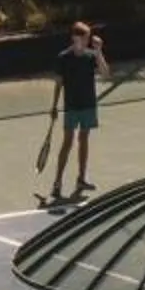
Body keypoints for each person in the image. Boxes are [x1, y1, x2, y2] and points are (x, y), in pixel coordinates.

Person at [39, 20, 110, 203]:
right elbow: (59, 83)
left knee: (84, 140)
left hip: (88, 105)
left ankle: (81, 179)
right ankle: (57, 182)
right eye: (83, 38)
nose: (86, 41)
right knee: (67, 143)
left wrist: (99, 51)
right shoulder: (63, 57)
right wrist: (54, 106)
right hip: (71, 106)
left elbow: (105, 74)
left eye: (87, 38)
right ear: (74, 38)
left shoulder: (91, 55)